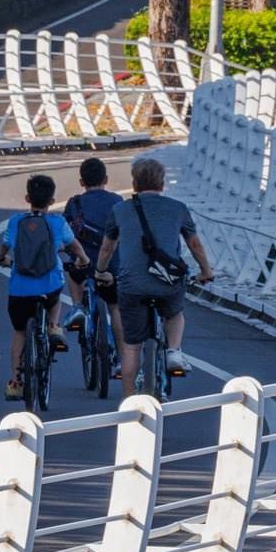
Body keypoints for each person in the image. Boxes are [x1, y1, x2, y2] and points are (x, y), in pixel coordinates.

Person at [97, 157, 216, 389]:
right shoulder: (178, 208)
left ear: (134, 184)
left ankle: (130, 404)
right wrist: (206, 271)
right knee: (174, 312)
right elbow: (194, 245)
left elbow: (107, 247)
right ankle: (173, 351)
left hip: (131, 284)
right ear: (162, 184)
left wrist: (100, 271)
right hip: (168, 283)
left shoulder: (120, 210)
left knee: (132, 347)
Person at [0, 173, 90, 401]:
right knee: (56, 293)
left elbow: (4, 247)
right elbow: (73, 246)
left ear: (28, 198)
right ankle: (54, 326)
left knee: (19, 333)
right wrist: (84, 259)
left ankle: (15, 382)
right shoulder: (57, 222)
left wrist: (1, 258)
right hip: (48, 286)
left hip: (19, 289)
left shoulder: (16, 221)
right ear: (51, 200)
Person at [63, 156, 123, 346]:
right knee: (115, 307)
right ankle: (123, 360)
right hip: (111, 267)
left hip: (84, 264)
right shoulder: (118, 201)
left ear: (82, 182)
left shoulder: (74, 203)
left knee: (72, 274)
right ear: (106, 179)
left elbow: (65, 234)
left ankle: (78, 306)